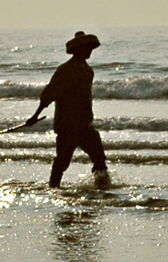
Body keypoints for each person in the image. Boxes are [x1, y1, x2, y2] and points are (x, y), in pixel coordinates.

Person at [27, 31, 110, 187]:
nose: (90, 51)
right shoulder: (66, 70)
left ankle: (102, 186)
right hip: (68, 124)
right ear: (77, 50)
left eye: (91, 48)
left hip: (84, 123)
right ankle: (53, 187)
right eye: (87, 48)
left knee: (99, 157)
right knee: (63, 161)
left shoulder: (88, 70)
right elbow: (49, 94)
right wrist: (35, 116)